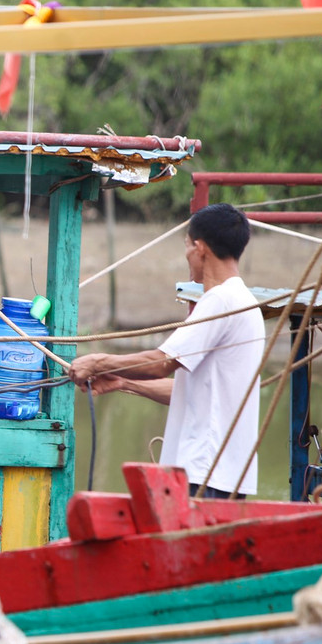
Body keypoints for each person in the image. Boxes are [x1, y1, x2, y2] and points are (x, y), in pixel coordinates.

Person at [67, 203, 264, 499]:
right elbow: (188, 393)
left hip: (204, 472)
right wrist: (124, 382)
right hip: (222, 474)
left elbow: (163, 362)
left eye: (187, 245)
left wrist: (98, 362)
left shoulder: (220, 300)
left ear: (199, 248)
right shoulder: (243, 302)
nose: (187, 255)